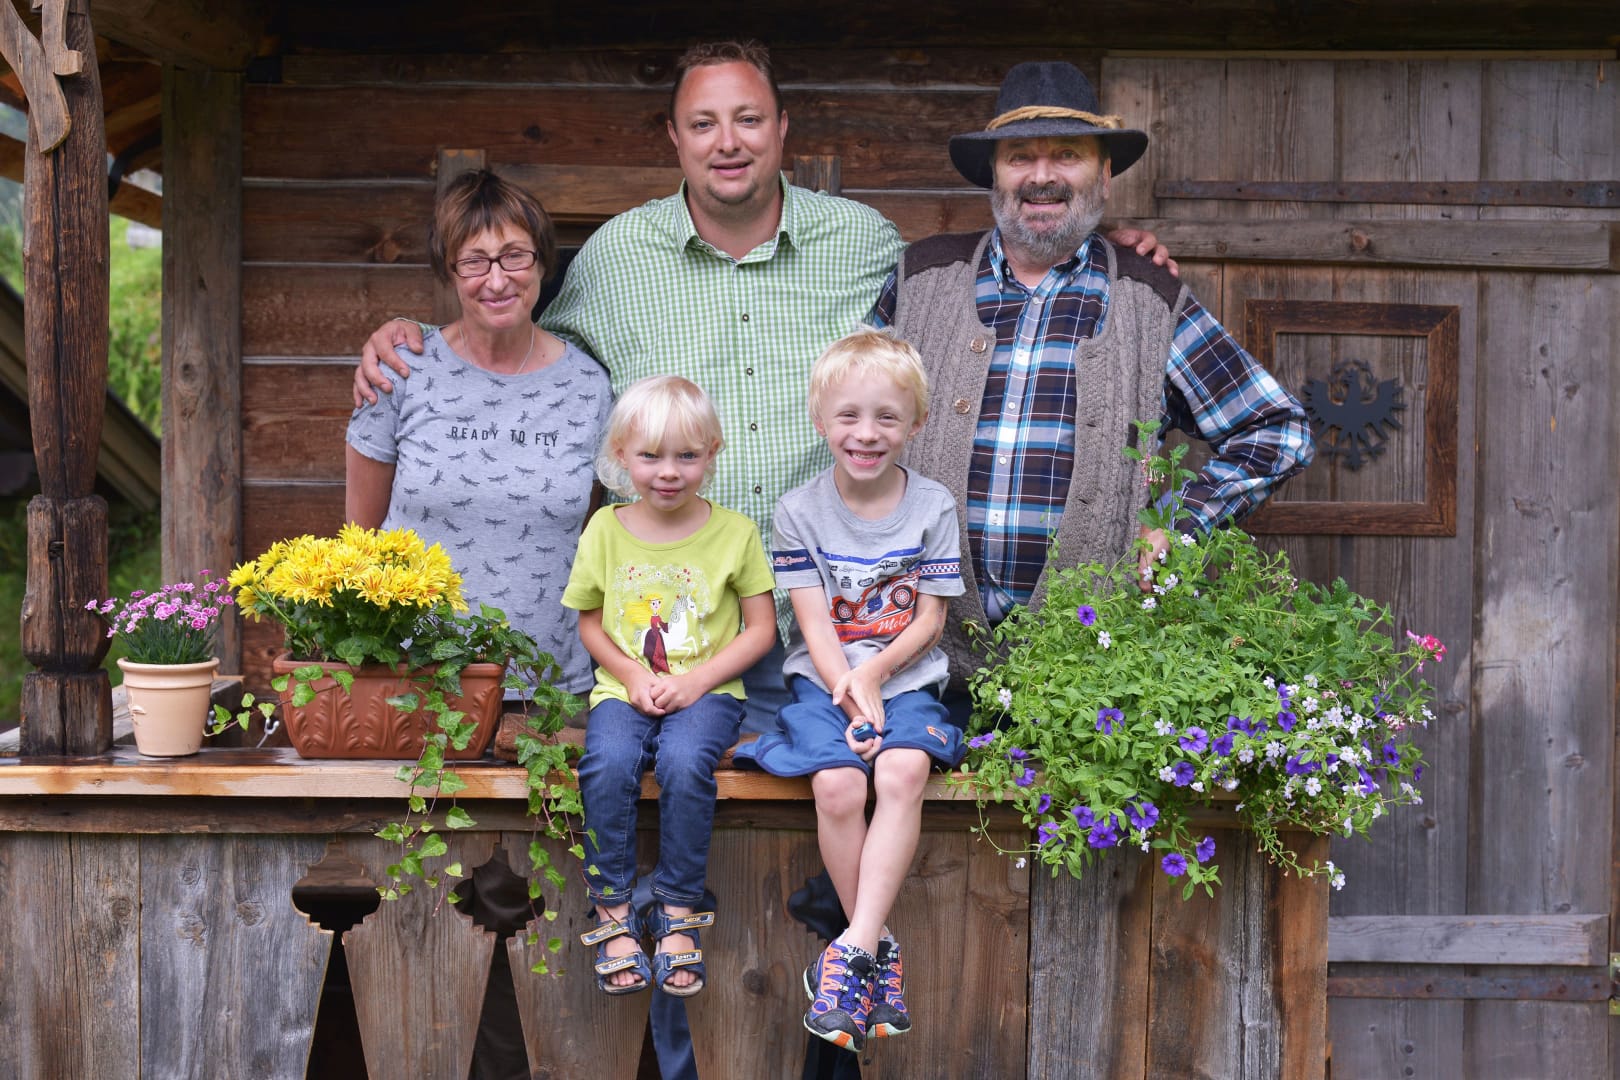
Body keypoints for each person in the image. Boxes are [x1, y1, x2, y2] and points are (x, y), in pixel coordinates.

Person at [349, 41, 1174, 734]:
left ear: (781, 129)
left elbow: (976, 284)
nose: (727, 142)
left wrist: (1100, 245)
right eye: (703, 123)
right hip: (665, 633)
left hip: (827, 628)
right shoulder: (614, 258)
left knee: (815, 810)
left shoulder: (863, 244)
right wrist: (414, 338)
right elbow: (518, 341)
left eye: (747, 119)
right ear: (674, 137)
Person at [874, 61, 1314, 712]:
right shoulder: (920, 278)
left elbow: (1277, 429)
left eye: (1067, 155)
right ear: (994, 174)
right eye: (1020, 156)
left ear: (1104, 175)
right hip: (914, 670)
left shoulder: (1147, 297)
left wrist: (1177, 525)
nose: (1042, 176)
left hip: (1087, 689)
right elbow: (847, 412)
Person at [345, 168, 611, 1080]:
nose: (497, 278)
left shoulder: (588, 387)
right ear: (447, 269)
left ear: (543, 264)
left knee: (538, 906)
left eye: (515, 257)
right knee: (425, 904)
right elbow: (360, 546)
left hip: (551, 696)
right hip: (421, 695)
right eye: (475, 260)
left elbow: (610, 538)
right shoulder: (402, 369)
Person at [735, 329, 964, 1052]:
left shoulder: (933, 506)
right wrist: (847, 688)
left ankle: (850, 949)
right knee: (836, 784)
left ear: (916, 423)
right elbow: (812, 623)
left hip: (907, 678)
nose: (867, 434)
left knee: (902, 770)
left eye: (887, 417)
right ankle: (878, 948)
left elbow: (930, 619)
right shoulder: (798, 511)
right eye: (849, 416)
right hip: (823, 682)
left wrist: (874, 677)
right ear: (820, 420)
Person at [562, 375, 777, 996]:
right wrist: (632, 675)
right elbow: (590, 622)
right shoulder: (605, 529)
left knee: (684, 762)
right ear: (621, 454)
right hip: (622, 692)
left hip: (709, 694)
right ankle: (612, 911)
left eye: (686, 455)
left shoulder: (735, 533)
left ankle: (678, 912)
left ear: (712, 453)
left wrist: (696, 682)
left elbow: (761, 629)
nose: (668, 471)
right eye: (650, 455)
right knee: (607, 762)